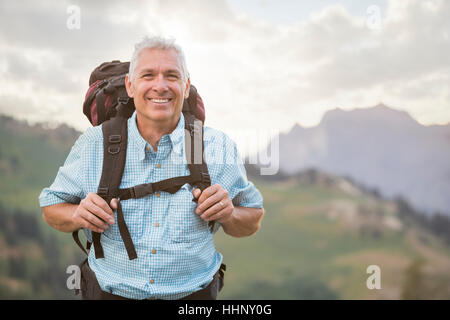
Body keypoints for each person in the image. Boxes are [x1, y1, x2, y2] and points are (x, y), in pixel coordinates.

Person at [39, 36, 264, 300]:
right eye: (148, 75)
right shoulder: (94, 144)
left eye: (171, 75)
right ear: (130, 85)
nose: (160, 86)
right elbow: (51, 208)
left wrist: (229, 215)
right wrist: (78, 214)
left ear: (186, 85)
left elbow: (252, 218)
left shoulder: (215, 146)